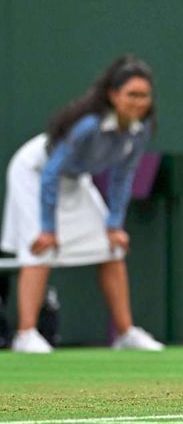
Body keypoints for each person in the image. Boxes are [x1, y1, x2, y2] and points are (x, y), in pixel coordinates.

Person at [0, 55, 164, 353]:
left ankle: (125, 333)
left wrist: (114, 224)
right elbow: (51, 173)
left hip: (75, 180)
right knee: (40, 247)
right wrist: (48, 228)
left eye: (144, 95)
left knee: (112, 246)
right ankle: (25, 334)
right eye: (132, 95)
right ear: (114, 95)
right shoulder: (87, 125)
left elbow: (122, 177)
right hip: (35, 173)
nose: (139, 102)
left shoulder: (141, 130)